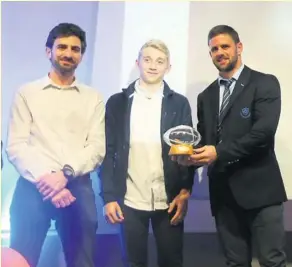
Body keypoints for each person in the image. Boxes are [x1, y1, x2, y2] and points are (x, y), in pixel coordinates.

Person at [175, 24, 287, 267]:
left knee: (272, 262)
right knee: (235, 263)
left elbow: (263, 134)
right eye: (214, 49)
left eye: (224, 46)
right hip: (224, 196)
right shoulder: (206, 96)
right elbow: (206, 140)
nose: (219, 52)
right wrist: (190, 157)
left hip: (262, 193)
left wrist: (218, 152)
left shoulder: (264, 83)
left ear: (239, 47)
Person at [6, 23, 105, 267]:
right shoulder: (27, 92)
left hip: (77, 188)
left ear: (81, 55)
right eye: (62, 47)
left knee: (82, 262)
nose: (68, 53)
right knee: (19, 262)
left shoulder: (93, 97)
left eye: (75, 49)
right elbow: (16, 146)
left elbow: (96, 148)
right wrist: (50, 180)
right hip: (33, 187)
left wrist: (65, 174)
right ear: (48, 51)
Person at [100, 39, 195, 267]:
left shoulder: (179, 103)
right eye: (148, 59)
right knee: (133, 262)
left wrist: (185, 191)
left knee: (172, 261)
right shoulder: (117, 103)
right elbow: (108, 152)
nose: (153, 65)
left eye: (160, 61)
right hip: (130, 198)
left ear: (168, 68)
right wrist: (109, 197)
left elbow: (186, 152)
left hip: (168, 199)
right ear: (138, 62)